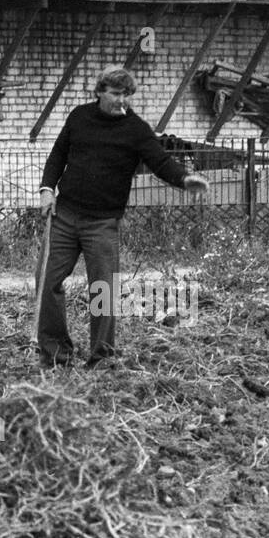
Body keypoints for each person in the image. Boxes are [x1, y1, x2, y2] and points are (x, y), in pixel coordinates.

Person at [36, 66, 209, 370]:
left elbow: (160, 161)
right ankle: (55, 353)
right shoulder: (79, 117)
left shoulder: (136, 129)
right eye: (116, 94)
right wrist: (47, 189)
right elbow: (57, 155)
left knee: (102, 290)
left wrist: (184, 179)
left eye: (127, 95)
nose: (121, 101)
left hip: (102, 223)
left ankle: (101, 357)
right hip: (64, 215)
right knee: (46, 281)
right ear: (100, 91)